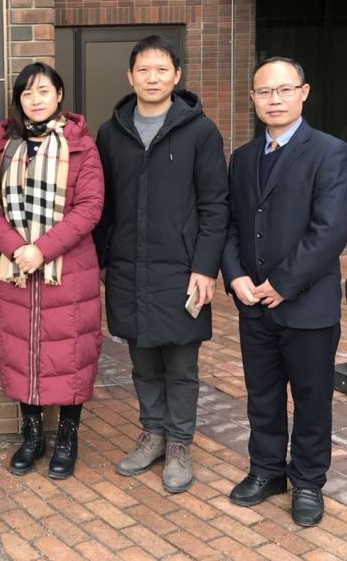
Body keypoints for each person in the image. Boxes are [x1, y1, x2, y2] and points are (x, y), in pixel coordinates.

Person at [222, 56, 347, 527]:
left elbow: (330, 231)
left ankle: (308, 482)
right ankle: (266, 471)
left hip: (307, 306)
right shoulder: (242, 158)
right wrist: (234, 275)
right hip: (253, 304)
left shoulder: (331, 153)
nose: (274, 99)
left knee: (312, 400)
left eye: (283, 89)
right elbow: (230, 224)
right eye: (264, 92)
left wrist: (282, 283)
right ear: (253, 98)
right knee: (262, 396)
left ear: (304, 92)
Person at [93, 35, 228, 494]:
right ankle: (152, 434)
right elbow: (104, 206)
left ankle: (179, 445)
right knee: (143, 360)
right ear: (130, 76)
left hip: (182, 269)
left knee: (181, 365)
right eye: (143, 70)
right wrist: (101, 260)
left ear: (177, 75)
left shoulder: (200, 132)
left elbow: (215, 205)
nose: (152, 78)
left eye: (161, 69)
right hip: (128, 268)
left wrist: (205, 267)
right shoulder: (112, 133)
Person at [0, 63, 104, 480]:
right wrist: (17, 249)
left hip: (69, 271)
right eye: (27, 93)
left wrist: (42, 250)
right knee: (22, 351)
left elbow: (90, 208)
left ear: (59, 95)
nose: (35, 100)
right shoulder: (4, 146)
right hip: (15, 270)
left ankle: (67, 437)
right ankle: (32, 436)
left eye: (44, 91)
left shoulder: (81, 146)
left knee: (71, 353)